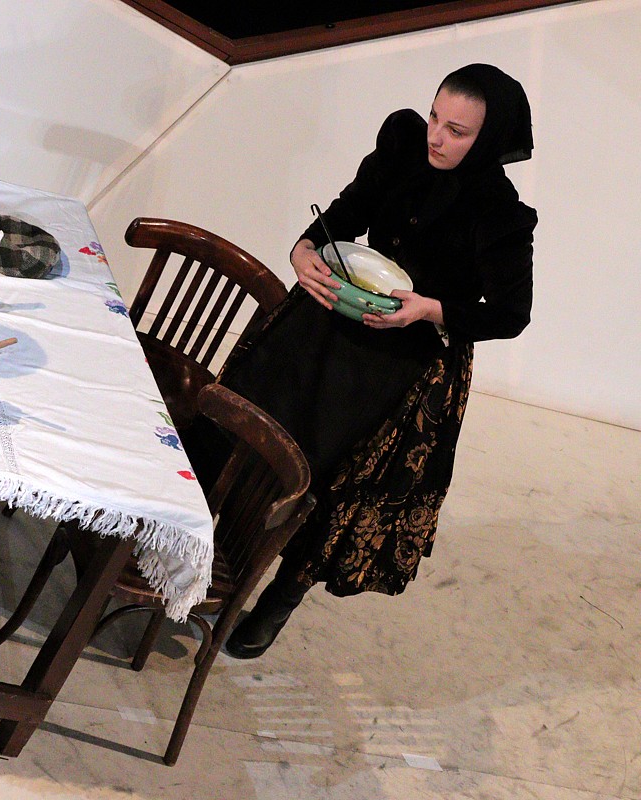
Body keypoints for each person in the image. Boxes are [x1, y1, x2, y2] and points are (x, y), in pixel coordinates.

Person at [200, 64, 537, 660]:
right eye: (435, 118)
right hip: (331, 322)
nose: (436, 137)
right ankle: (200, 549)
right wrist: (304, 248)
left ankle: (279, 600)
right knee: (249, 428)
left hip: (404, 363)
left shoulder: (499, 213)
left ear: (488, 140)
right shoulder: (403, 146)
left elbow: (510, 315)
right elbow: (346, 213)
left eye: (457, 131)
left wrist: (429, 309)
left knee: (336, 481)